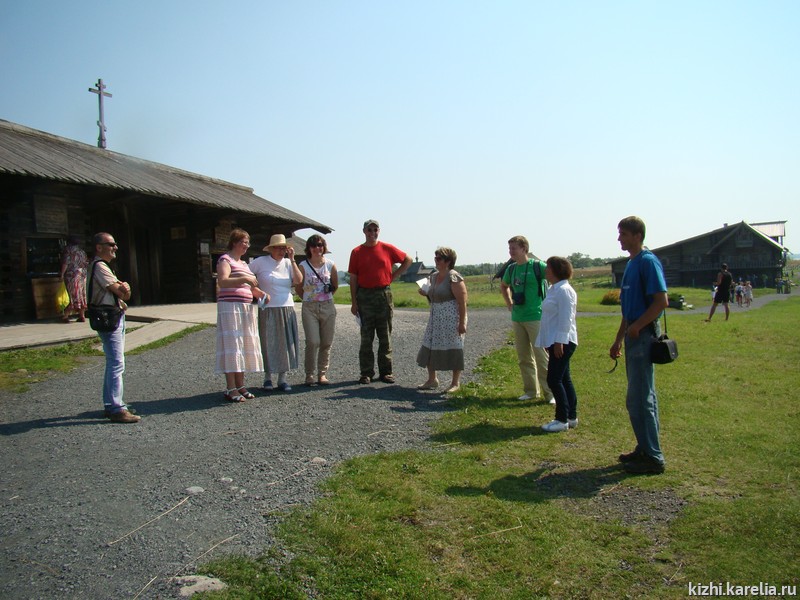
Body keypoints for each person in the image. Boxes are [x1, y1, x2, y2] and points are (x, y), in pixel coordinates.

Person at [609, 216, 668, 474]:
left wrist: (637, 327)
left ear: (637, 235)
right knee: (642, 396)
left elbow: (661, 301)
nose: (619, 238)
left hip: (643, 336)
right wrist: (619, 338)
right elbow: (627, 310)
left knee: (639, 399)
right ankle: (644, 447)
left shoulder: (647, 262)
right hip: (633, 335)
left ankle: (653, 457)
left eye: (623, 234)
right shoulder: (632, 264)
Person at [348, 219, 412, 384]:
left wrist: (393, 276)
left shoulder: (387, 248)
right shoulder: (356, 252)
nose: (372, 233)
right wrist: (354, 302)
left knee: (385, 336)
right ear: (364, 231)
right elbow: (353, 278)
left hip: (384, 294)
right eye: (369, 230)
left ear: (379, 231)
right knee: (366, 337)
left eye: (375, 230)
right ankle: (366, 373)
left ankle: (386, 372)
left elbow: (408, 259)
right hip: (364, 296)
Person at [89, 232, 140, 423]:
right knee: (116, 362)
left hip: (112, 315)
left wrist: (125, 290)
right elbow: (121, 291)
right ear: (99, 247)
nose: (115, 247)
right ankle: (117, 408)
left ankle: (110, 404)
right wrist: (124, 289)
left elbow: (126, 295)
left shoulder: (102, 266)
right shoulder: (100, 266)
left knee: (113, 361)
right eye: (111, 244)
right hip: (108, 316)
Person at [500, 235, 555, 404]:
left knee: (541, 356)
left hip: (536, 317)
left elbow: (555, 279)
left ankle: (550, 393)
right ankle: (531, 391)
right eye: (509, 248)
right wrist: (509, 303)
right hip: (517, 317)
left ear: (524, 249)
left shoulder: (538, 266)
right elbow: (504, 285)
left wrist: (550, 303)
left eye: (514, 248)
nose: (510, 251)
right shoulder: (511, 269)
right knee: (524, 357)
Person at [215, 228, 267, 402]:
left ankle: (240, 385)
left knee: (243, 346)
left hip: (245, 308)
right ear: (234, 242)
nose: (246, 245)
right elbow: (223, 281)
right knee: (232, 346)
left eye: (248, 242)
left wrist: (262, 294)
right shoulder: (225, 260)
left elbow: (251, 287)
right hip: (230, 308)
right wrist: (244, 279)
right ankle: (231, 388)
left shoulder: (244, 264)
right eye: (243, 242)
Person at [250, 234, 302, 392]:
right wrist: (255, 290)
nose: (281, 251)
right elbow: (244, 275)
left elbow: (298, 280)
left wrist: (292, 259)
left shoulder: (288, 263)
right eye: (278, 248)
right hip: (268, 308)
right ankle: (267, 377)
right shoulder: (260, 262)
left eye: (284, 248)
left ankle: (282, 378)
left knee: (285, 343)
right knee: (268, 342)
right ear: (271, 249)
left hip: (286, 307)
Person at [416, 247, 468, 394]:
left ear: (448, 261)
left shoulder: (454, 277)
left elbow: (462, 302)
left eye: (439, 258)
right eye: (435, 258)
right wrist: (424, 292)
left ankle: (455, 383)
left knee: (454, 347)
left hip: (451, 319)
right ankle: (432, 380)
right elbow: (432, 294)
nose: (436, 261)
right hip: (435, 319)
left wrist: (461, 323)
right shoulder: (433, 276)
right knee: (430, 345)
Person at [536, 256, 579, 433]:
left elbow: (566, 318)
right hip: (555, 341)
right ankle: (571, 417)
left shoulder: (564, 291)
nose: (545, 270)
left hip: (563, 341)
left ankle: (561, 419)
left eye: (548, 268)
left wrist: (560, 342)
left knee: (553, 380)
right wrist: (547, 340)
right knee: (564, 378)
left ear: (556, 270)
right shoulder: (553, 289)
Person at [296, 234, 338, 385]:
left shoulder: (330, 265)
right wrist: (309, 298)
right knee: (313, 341)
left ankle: (322, 374)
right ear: (309, 248)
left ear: (324, 247)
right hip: (309, 306)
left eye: (320, 245)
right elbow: (299, 288)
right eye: (313, 245)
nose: (317, 248)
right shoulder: (303, 265)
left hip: (327, 305)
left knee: (326, 342)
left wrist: (325, 297)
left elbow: (335, 285)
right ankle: (309, 374)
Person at [60, 235, 89, 323]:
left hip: (72, 275)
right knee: (81, 294)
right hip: (82, 275)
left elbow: (66, 263)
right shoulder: (82, 251)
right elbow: (86, 263)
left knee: (71, 294)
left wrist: (62, 274)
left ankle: (66, 316)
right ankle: (82, 316)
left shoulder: (69, 251)